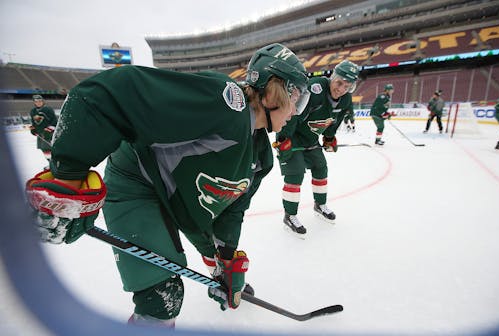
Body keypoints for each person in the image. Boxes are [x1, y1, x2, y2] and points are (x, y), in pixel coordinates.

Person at [25, 43, 310, 327]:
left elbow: (231, 211)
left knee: (193, 264)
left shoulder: (261, 156)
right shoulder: (225, 102)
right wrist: (68, 175)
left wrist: (226, 260)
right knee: (161, 297)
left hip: (179, 198)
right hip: (137, 183)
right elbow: (108, 95)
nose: (296, 111)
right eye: (296, 97)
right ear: (273, 91)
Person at [273, 60, 359, 236]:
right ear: (332, 77)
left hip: (311, 140)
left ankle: (320, 204)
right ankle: (290, 215)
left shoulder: (346, 99)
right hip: (293, 137)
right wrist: (283, 139)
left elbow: (335, 121)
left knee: (321, 168)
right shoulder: (315, 89)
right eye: (339, 83)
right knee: (295, 174)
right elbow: (293, 113)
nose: (341, 89)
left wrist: (329, 137)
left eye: (347, 86)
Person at [28, 94, 57, 166]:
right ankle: (50, 163)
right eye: (36, 101)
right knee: (43, 149)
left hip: (48, 132)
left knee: (50, 148)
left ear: (43, 101)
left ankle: (55, 163)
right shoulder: (33, 111)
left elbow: (54, 121)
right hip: (40, 133)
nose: (38, 102)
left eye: (40, 101)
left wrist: (49, 130)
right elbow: (33, 122)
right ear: (34, 102)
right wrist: (33, 129)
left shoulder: (48, 109)